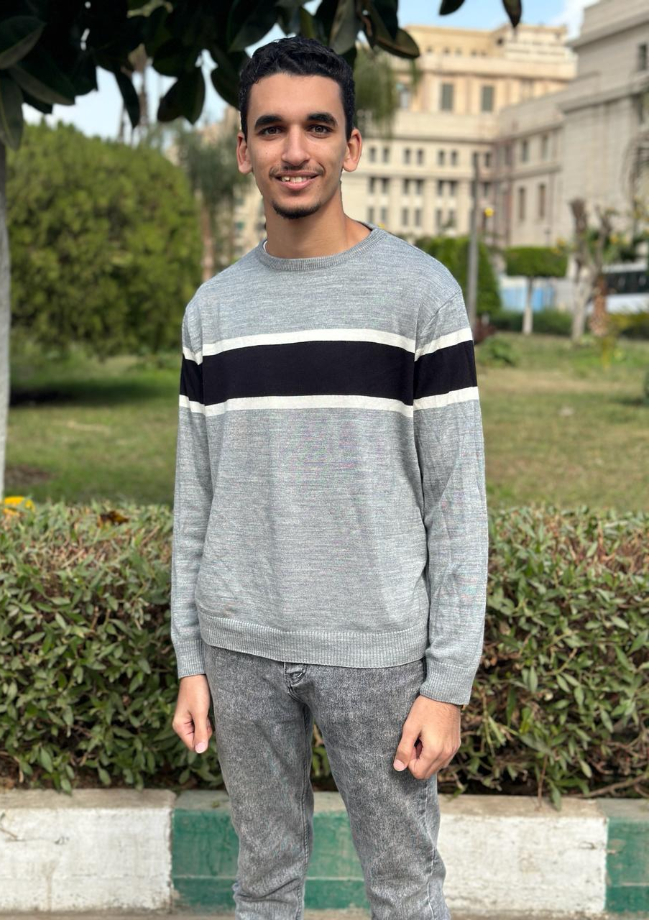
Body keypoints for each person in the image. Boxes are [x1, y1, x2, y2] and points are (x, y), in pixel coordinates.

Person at [170, 35, 489, 920]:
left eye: (317, 127)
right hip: (240, 648)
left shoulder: (421, 296)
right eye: (271, 129)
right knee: (262, 884)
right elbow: (195, 500)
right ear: (243, 149)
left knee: (405, 887)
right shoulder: (213, 312)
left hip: (379, 655)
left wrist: (447, 685)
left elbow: (457, 504)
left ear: (351, 145)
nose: (294, 150)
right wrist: (192, 660)